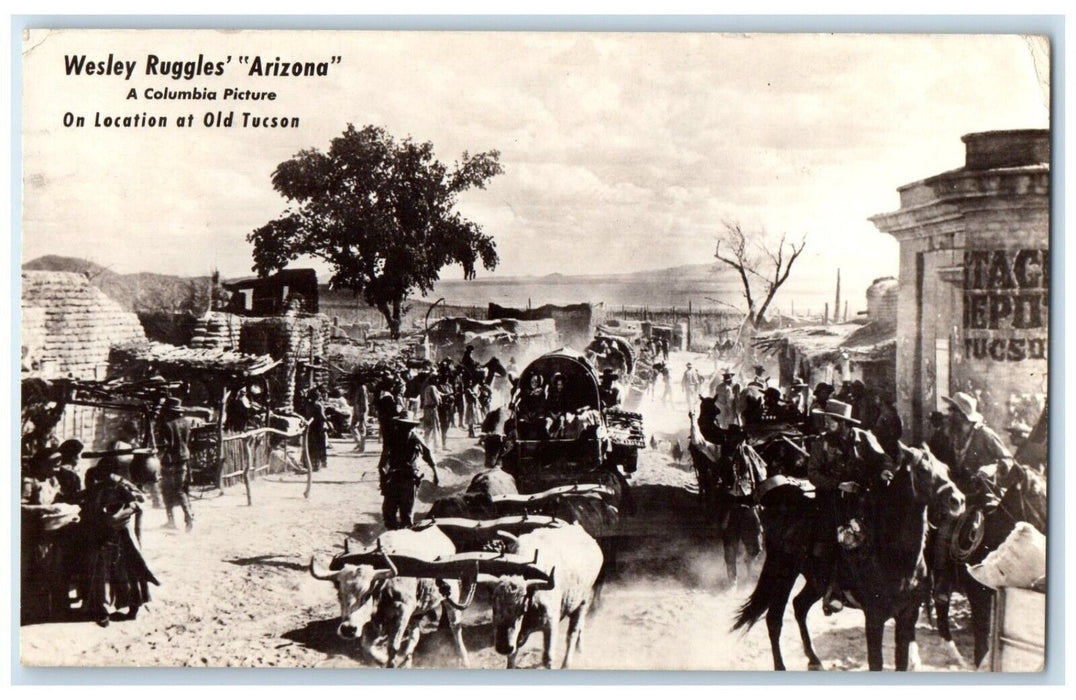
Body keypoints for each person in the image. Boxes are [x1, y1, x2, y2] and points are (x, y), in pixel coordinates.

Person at [807, 398, 893, 614]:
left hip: (863, 499)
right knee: (833, 541)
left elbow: (884, 459)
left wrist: (884, 470)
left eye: (830, 420)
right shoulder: (821, 443)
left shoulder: (864, 438)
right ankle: (834, 590)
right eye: (826, 419)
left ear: (843, 423)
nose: (826, 423)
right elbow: (813, 474)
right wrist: (838, 485)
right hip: (831, 502)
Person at [78, 458, 159, 626]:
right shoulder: (95, 485)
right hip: (102, 533)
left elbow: (138, 501)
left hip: (122, 534)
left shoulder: (119, 485)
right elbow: (89, 504)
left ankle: (133, 607)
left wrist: (124, 513)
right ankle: (101, 610)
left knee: (130, 570)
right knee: (101, 572)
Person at [21, 448, 80, 623]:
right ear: (42, 465)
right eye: (53, 466)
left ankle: (56, 609)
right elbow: (19, 507)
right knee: (37, 570)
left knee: (56, 570)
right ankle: (34, 611)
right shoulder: (28, 482)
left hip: (54, 532)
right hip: (34, 534)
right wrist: (44, 508)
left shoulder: (52, 481)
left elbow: (57, 499)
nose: (56, 470)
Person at [377, 413, 440, 530]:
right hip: (394, 477)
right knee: (388, 511)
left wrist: (436, 473)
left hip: (409, 478)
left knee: (406, 512)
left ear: (412, 426)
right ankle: (392, 532)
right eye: (402, 425)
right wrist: (383, 481)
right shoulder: (392, 438)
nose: (404, 428)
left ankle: (405, 534)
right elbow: (382, 463)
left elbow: (428, 454)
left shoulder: (416, 438)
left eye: (408, 426)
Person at [156, 397, 194, 532]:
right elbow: (188, 441)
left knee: (167, 489)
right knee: (181, 489)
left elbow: (165, 445)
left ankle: (173, 520)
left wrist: (158, 456)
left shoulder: (166, 424)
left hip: (170, 460)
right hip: (184, 457)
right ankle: (188, 517)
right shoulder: (186, 422)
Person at [304, 387, 329, 472]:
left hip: (311, 427)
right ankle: (318, 464)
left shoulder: (308, 405)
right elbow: (322, 416)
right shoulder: (318, 405)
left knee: (312, 445)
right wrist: (329, 423)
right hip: (319, 427)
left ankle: (309, 463)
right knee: (320, 445)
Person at [419, 373, 442, 451]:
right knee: (434, 427)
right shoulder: (432, 387)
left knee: (427, 427)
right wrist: (440, 402)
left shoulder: (427, 387)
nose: (437, 380)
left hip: (427, 409)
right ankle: (435, 447)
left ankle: (426, 445)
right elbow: (436, 401)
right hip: (432, 409)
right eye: (436, 379)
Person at [348, 380, 369, 453]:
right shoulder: (357, 388)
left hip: (361, 410)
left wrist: (363, 411)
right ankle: (359, 443)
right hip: (356, 409)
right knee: (352, 426)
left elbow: (364, 400)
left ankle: (362, 447)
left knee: (362, 428)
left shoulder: (362, 387)